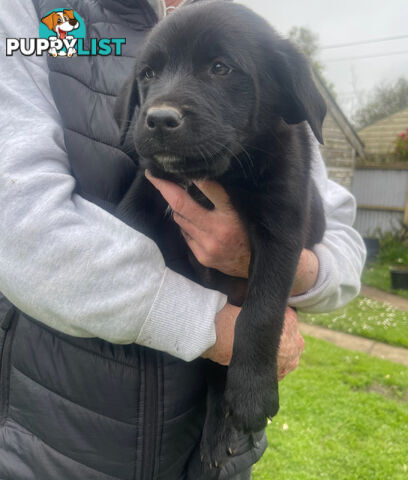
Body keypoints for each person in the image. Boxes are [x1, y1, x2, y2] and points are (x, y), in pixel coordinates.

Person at [0, 0, 366, 478]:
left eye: (219, 68)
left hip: (218, 446)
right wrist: (215, 327)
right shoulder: (38, 15)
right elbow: (20, 222)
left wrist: (292, 277)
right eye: (149, 76)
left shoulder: (252, 40)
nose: (161, 109)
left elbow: (334, 232)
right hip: (66, 435)